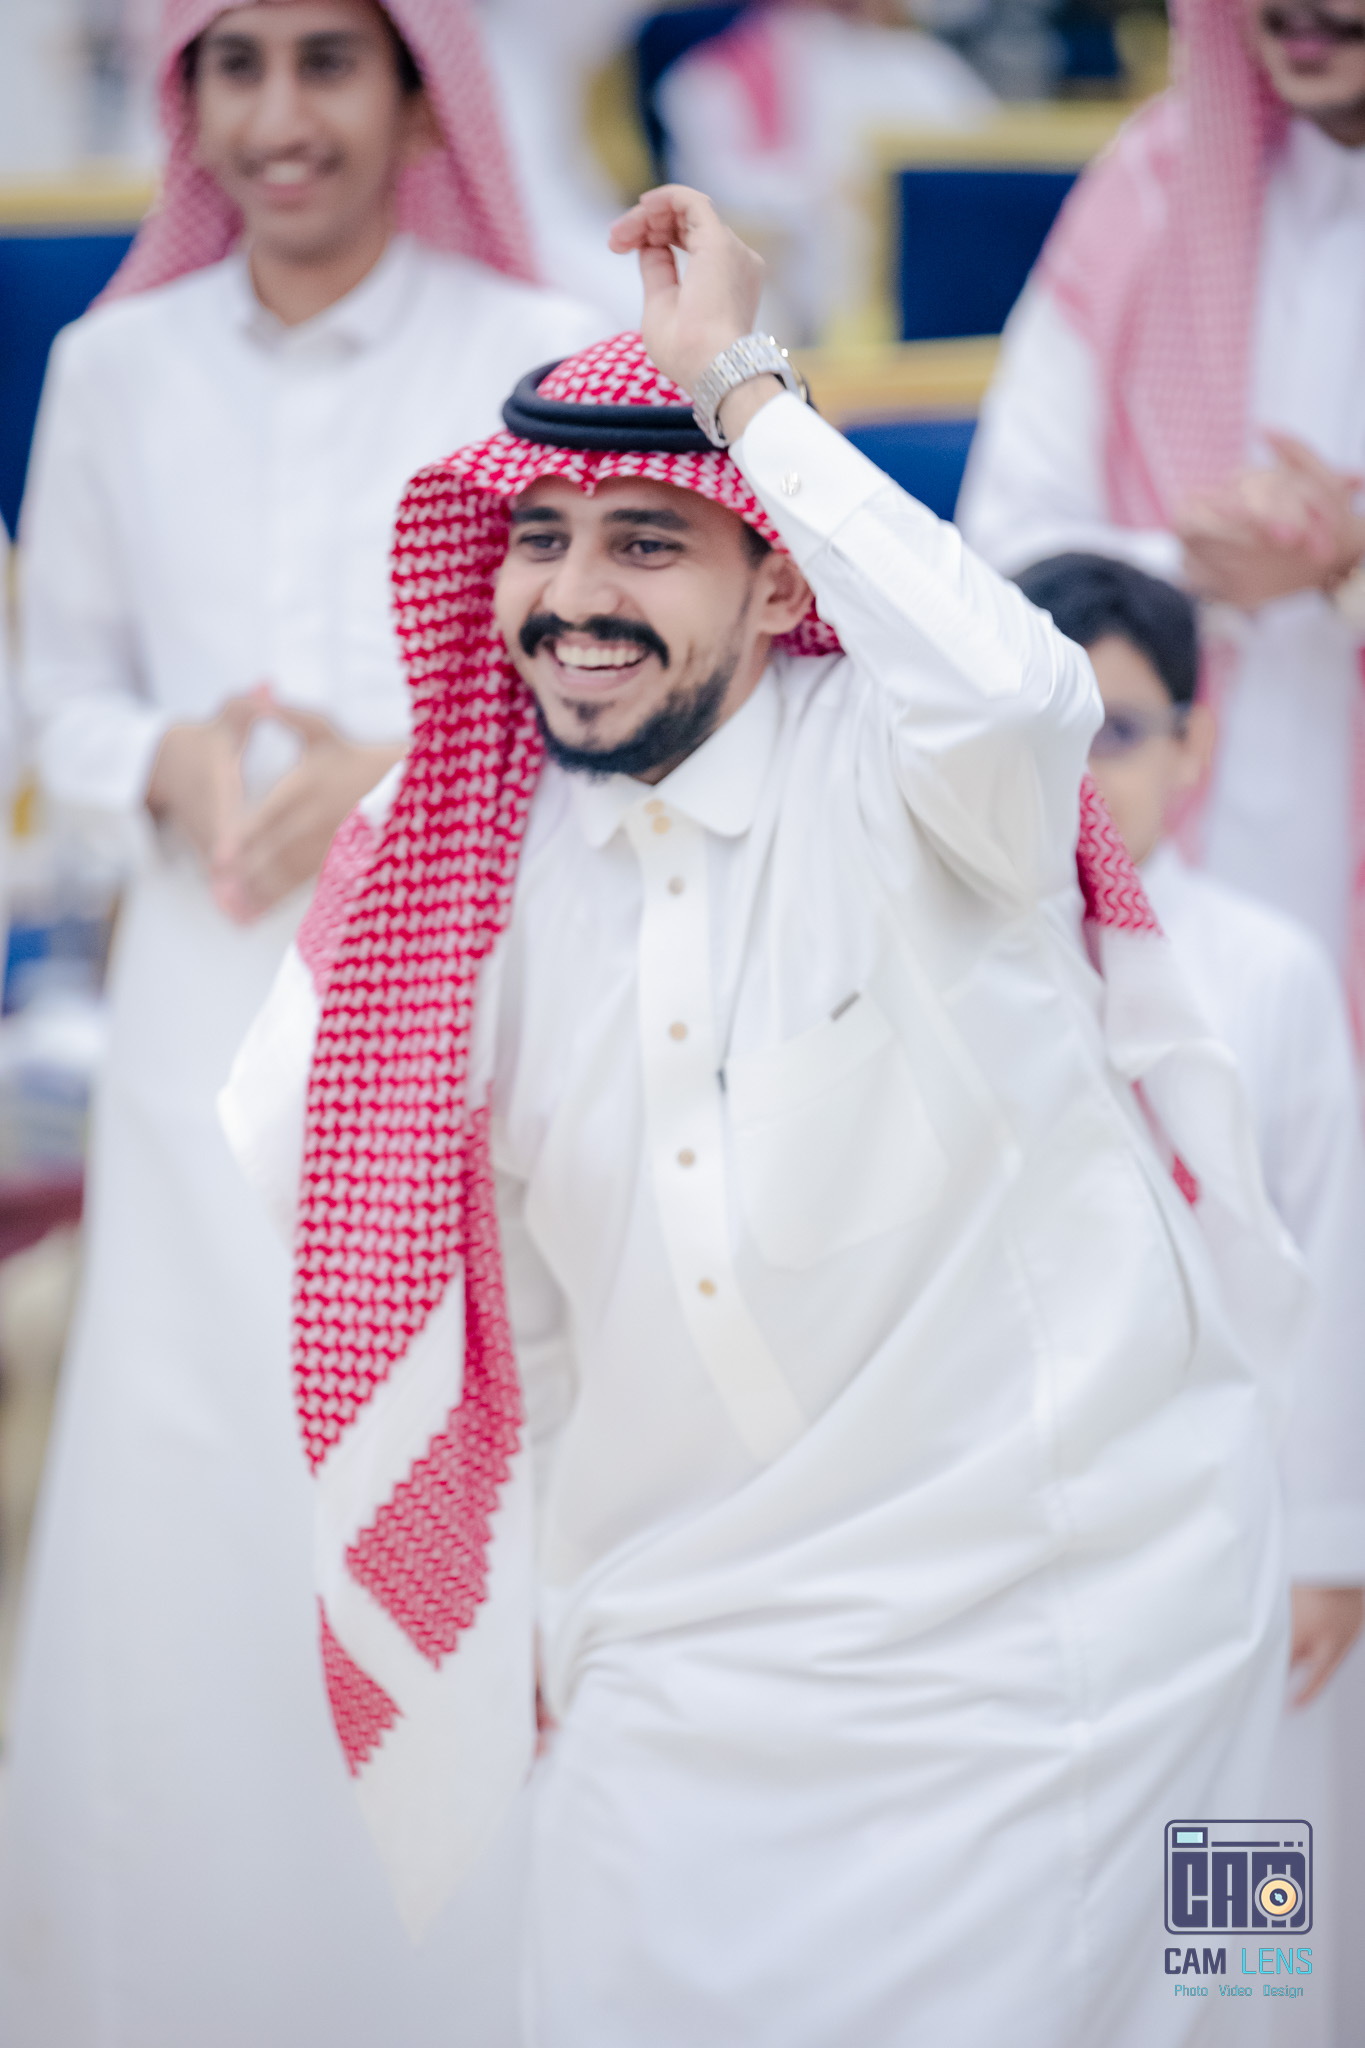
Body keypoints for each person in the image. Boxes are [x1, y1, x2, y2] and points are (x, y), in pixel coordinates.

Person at [223, 185, 1302, 2046]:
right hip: (690, 1652)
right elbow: (507, 1319)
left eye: (648, 541)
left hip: (1085, 1632)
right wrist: (545, 1609)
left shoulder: (914, 781)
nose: (573, 596)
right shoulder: (457, 883)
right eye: (541, 538)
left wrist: (743, 384)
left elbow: (1020, 691)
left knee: (1229, 1996)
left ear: (783, 580)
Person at [0, 3, 605, 2042]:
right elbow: (62, 697)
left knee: (436, 1478)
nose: (279, 116)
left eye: (329, 62)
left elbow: (605, 674)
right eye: (232, 64)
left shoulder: (534, 348)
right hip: (199, 996)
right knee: (194, 1490)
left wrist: (398, 763)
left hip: (460, 998)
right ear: (184, 102)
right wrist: (161, 760)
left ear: (423, 91)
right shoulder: (113, 368)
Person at [1015, 552, 1365, 2047]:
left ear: (1193, 746)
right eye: (1041, 731)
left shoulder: (1265, 972)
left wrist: (1327, 1543)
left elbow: (1331, 1254)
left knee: (1236, 1939)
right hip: (1021, 1548)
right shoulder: (947, 959)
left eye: (1115, 731)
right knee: (1038, 1934)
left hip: (1235, 1548)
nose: (1078, 774)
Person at [957, 0, 1365, 1035]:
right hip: (1160, 828)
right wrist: (1208, 566)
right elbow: (1005, 540)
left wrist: (1347, 568)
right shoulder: (1152, 183)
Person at [657, 0, 993, 341]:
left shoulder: (921, 65)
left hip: (950, 293)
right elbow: (720, 201)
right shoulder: (717, 75)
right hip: (808, 306)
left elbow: (993, 173)